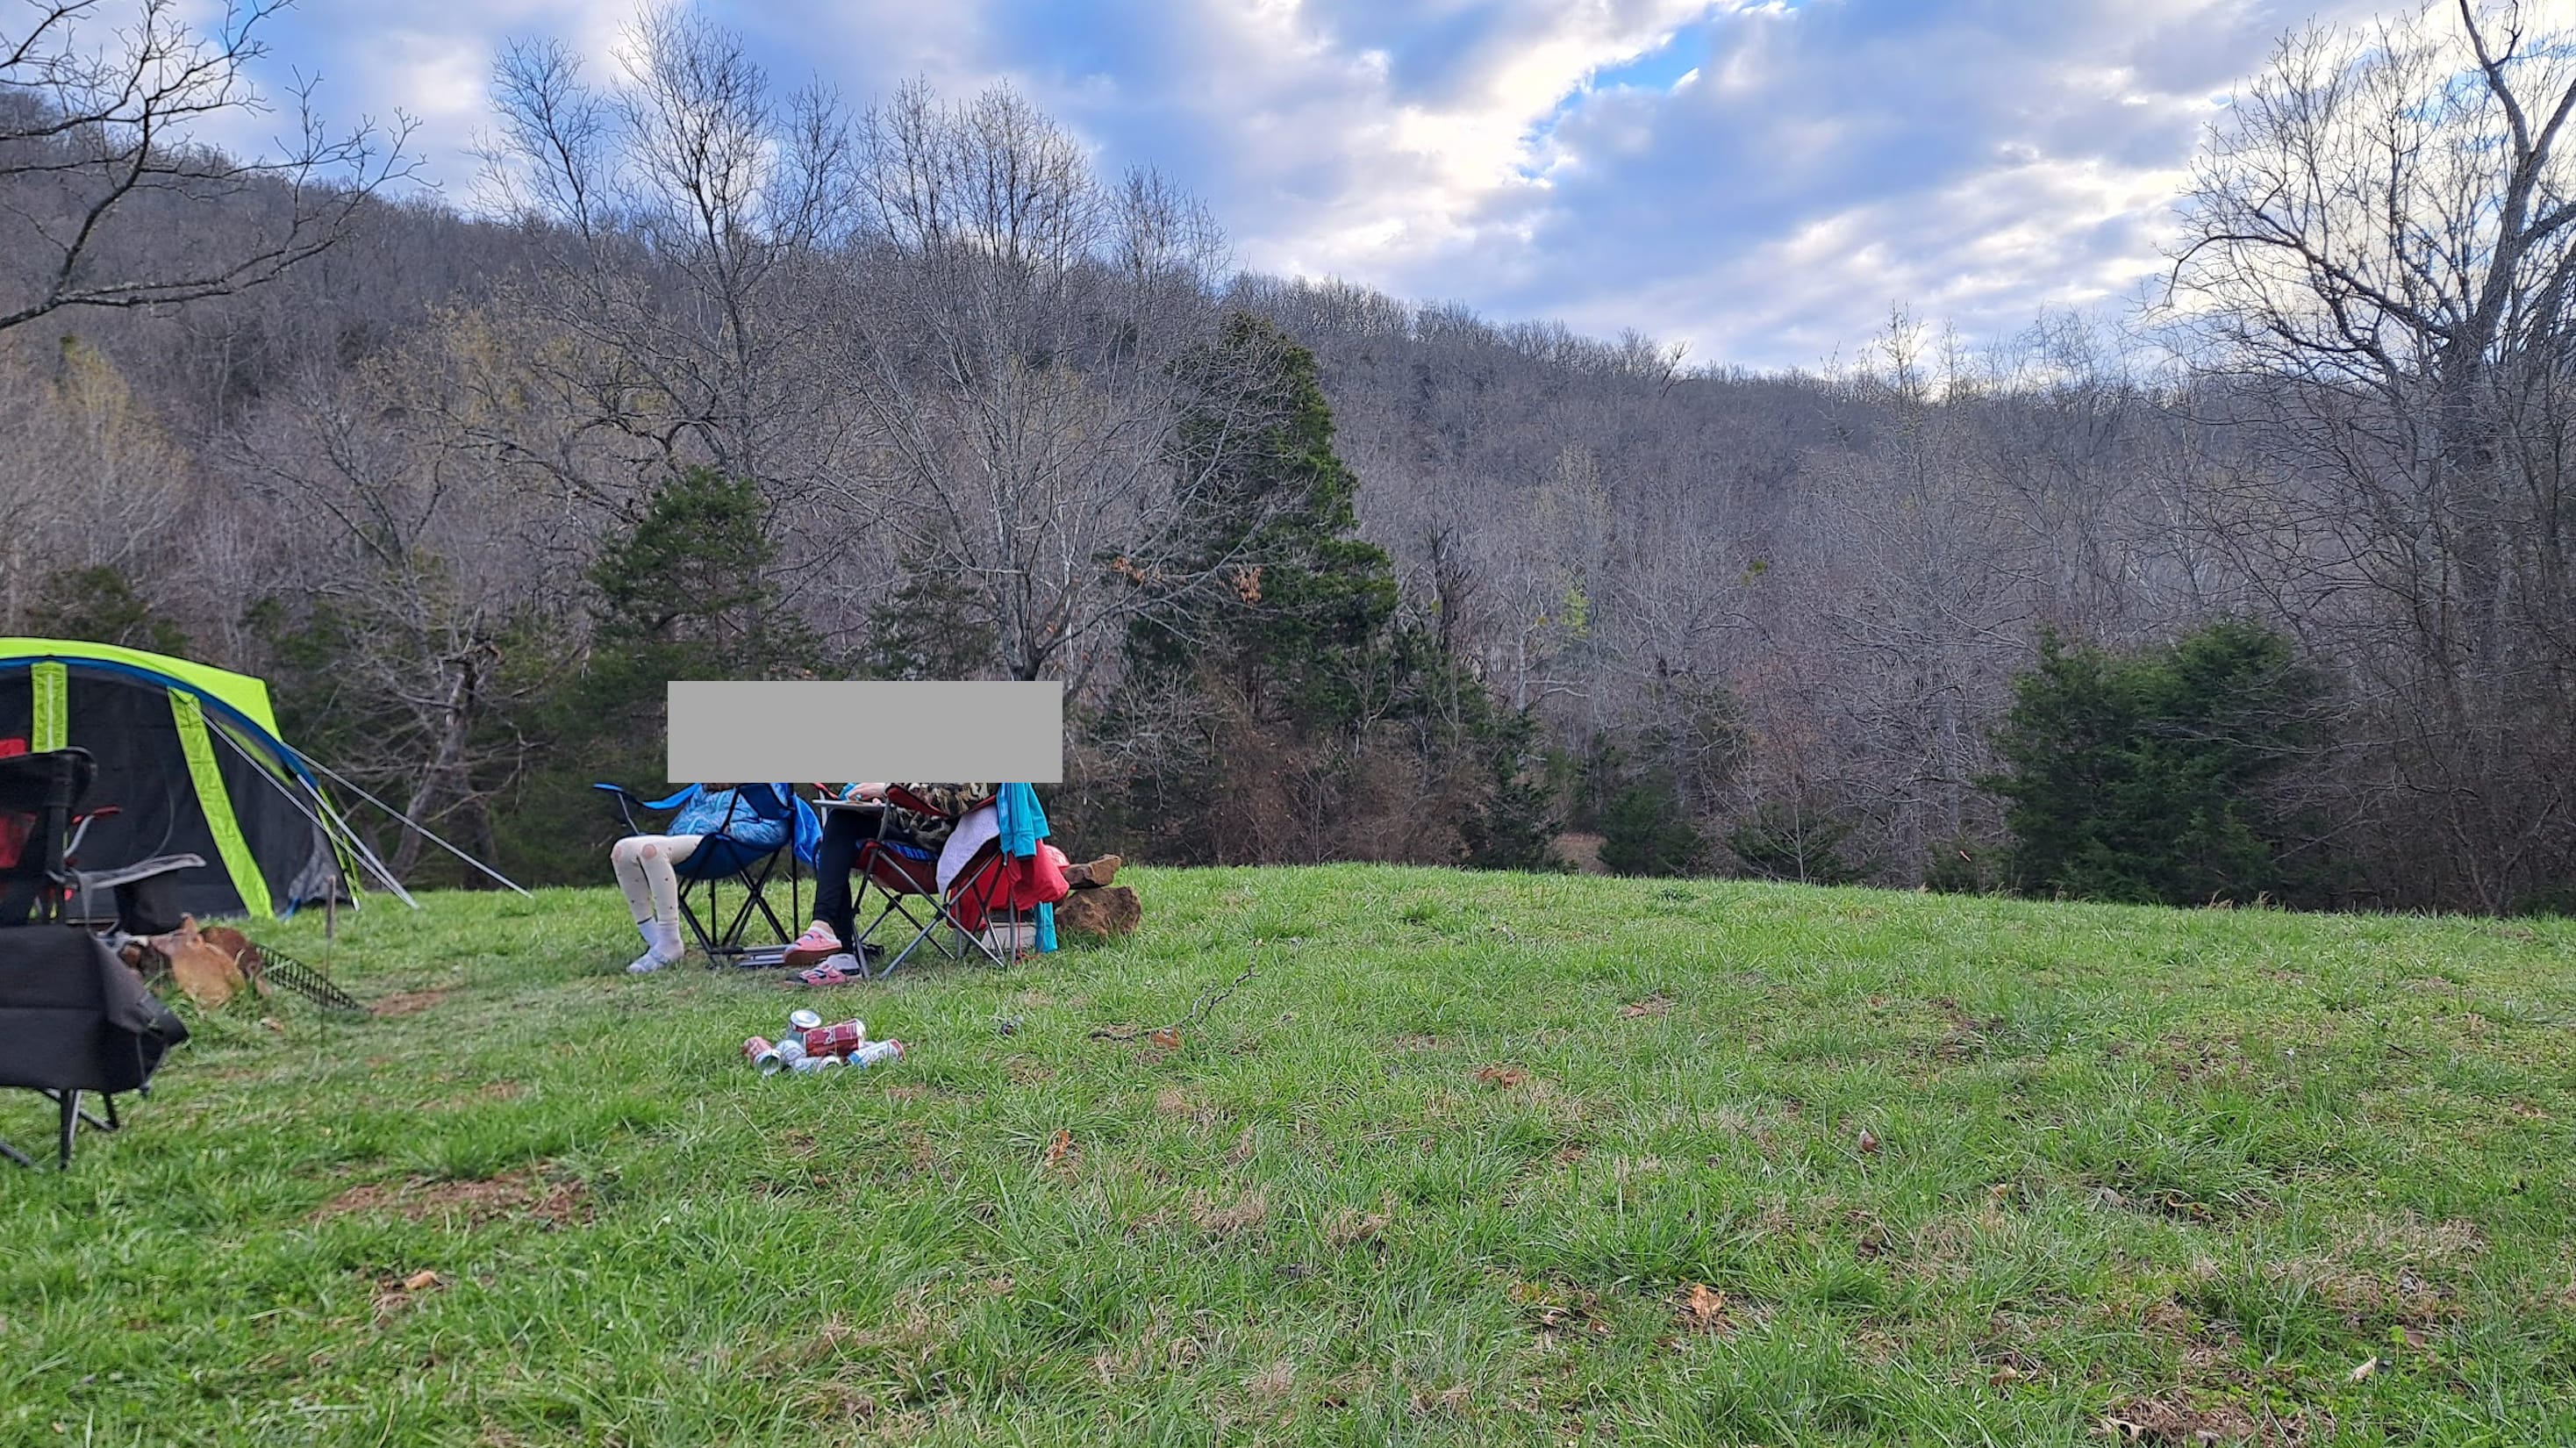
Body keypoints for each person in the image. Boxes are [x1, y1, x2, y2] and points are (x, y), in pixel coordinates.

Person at [785, 783, 1120, 972]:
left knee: (842, 824)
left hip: (937, 850)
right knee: (841, 818)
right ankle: (830, 934)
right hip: (914, 827)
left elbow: (952, 797)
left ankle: (833, 935)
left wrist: (889, 789)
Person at [611, 783, 791, 975]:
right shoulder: (706, 788)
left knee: (652, 851)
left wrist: (731, 830)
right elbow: (684, 819)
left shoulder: (764, 787)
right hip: (686, 841)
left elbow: (777, 830)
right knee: (622, 850)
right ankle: (656, 940)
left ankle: (670, 941)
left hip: (721, 846)